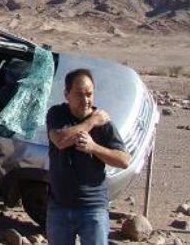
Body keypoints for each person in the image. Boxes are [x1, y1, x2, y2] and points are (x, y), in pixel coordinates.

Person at [46, 69, 130, 245]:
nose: (86, 100)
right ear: (66, 94)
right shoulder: (57, 114)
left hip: (93, 208)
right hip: (59, 205)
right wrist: (91, 122)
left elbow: (124, 160)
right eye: (79, 94)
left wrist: (94, 148)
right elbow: (60, 140)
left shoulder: (105, 126)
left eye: (89, 94)